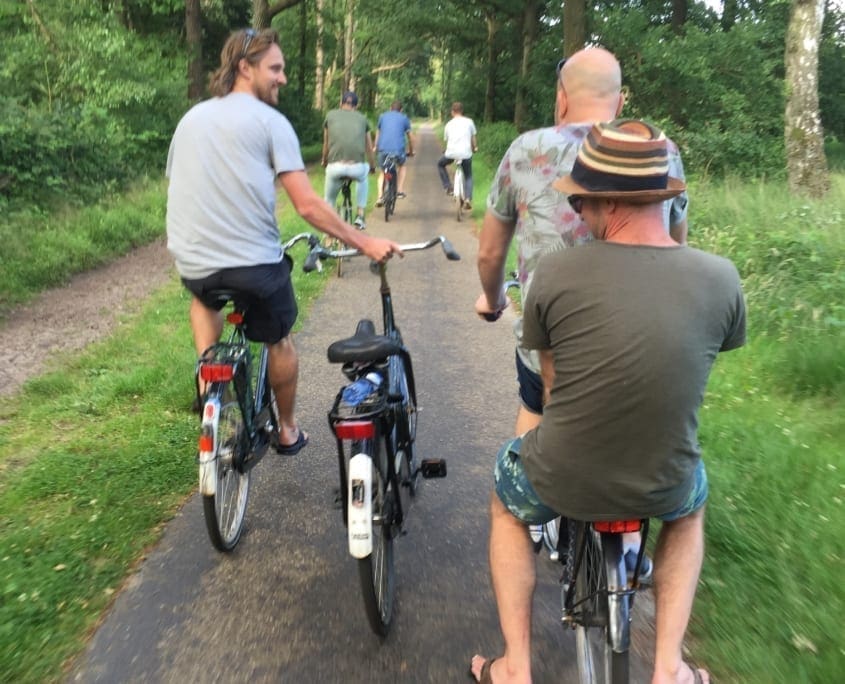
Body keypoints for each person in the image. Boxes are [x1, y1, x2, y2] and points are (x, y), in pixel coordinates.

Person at [469, 119, 746, 684]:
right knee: (689, 512)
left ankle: (515, 667)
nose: (578, 213)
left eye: (582, 202)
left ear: (606, 203)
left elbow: (550, 390)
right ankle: (669, 667)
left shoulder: (554, 273)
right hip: (664, 476)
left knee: (504, 501)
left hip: (562, 475)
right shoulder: (721, 278)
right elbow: (694, 372)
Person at [475, 46, 689, 576]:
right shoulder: (658, 151)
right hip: (641, 337)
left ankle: (531, 513)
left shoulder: (526, 149)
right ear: (619, 99)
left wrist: (494, 298)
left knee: (536, 397)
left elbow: (489, 252)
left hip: (553, 341)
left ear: (561, 97)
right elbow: (676, 245)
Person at [166, 28, 401, 455]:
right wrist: (364, 242)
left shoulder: (191, 118)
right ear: (244, 67)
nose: (283, 78)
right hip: (254, 267)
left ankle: (209, 377)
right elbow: (308, 206)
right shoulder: (270, 122)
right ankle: (288, 429)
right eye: (275, 68)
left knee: (204, 300)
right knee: (280, 340)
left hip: (193, 264)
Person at [322, 91, 376, 229]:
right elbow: (369, 147)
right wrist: (372, 166)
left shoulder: (330, 115)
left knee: (329, 200)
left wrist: (324, 161)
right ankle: (360, 214)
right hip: (356, 167)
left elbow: (326, 143)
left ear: (341, 104)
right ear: (356, 106)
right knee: (363, 177)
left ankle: (328, 233)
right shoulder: (362, 119)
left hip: (335, 168)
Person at [436, 101, 477, 209]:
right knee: (468, 175)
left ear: (452, 112)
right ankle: (468, 198)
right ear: (462, 111)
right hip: (466, 154)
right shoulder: (469, 122)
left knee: (440, 164)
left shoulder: (449, 124)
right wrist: (474, 148)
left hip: (451, 153)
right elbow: (473, 138)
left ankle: (448, 186)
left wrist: (446, 150)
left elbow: (447, 140)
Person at [374, 100, 414, 205]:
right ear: (401, 110)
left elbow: (378, 132)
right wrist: (411, 151)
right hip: (398, 150)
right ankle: (400, 190)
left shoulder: (382, 117)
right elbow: (410, 137)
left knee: (383, 172)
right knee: (402, 165)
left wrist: (376, 146)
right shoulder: (404, 118)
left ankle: (379, 197)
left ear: (390, 108)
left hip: (383, 150)